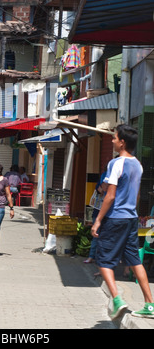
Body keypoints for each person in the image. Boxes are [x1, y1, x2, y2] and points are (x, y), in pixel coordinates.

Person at [91, 124, 154, 320]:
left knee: (103, 259)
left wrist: (98, 220)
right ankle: (150, 305)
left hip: (115, 218)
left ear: (122, 142)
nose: (112, 140)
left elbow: (109, 196)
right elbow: (135, 196)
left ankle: (117, 299)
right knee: (135, 260)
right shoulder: (138, 164)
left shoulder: (116, 163)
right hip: (131, 218)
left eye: (114, 137)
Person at [84, 168, 108, 264]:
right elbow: (101, 189)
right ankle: (92, 256)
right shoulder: (106, 175)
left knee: (100, 236)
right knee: (96, 235)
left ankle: (96, 258)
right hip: (100, 211)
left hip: (106, 212)